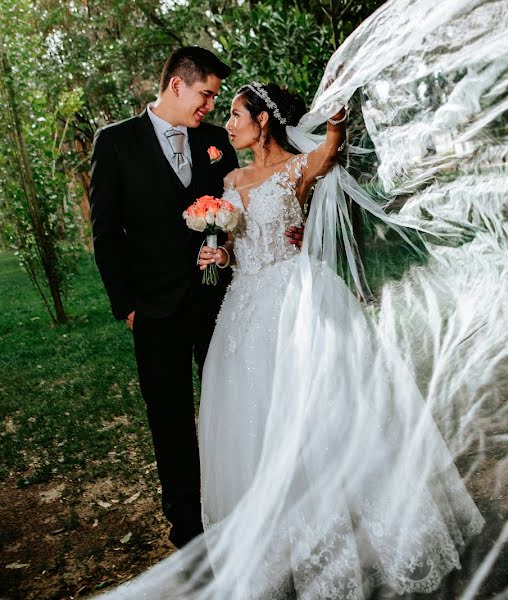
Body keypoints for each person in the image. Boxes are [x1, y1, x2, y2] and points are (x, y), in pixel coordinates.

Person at [192, 82, 484, 597]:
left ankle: (349, 530)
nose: (230, 124)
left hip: (296, 301)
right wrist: (221, 255)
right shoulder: (231, 179)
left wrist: (336, 125)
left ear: (264, 121)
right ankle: (273, 545)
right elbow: (239, 245)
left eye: (237, 115)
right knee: (253, 423)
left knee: (320, 413)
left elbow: (330, 151)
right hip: (244, 309)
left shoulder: (294, 171)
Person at [89, 46, 239, 549]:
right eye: (206, 94)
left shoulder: (217, 142)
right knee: (170, 420)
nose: (211, 106)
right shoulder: (115, 143)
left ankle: (235, 504)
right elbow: (106, 233)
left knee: (229, 407)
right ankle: (187, 528)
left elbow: (241, 207)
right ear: (177, 84)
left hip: (218, 303)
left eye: (215, 98)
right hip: (153, 310)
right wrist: (126, 304)